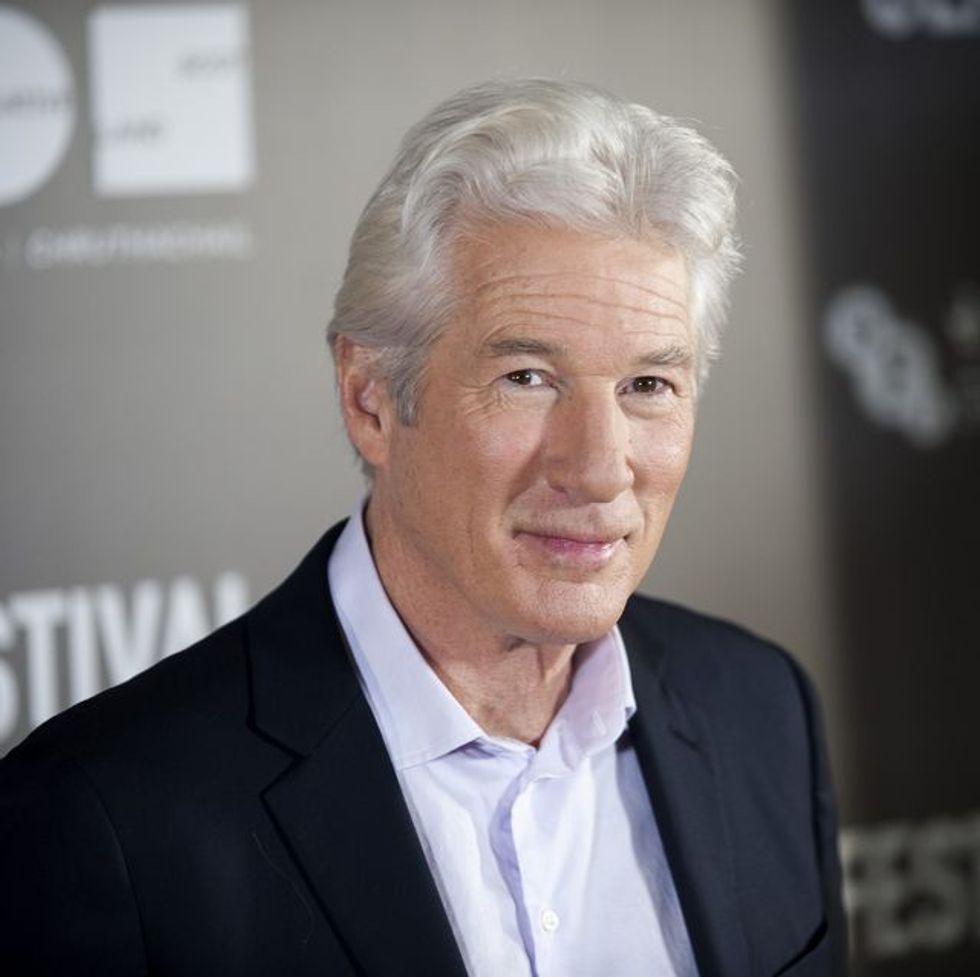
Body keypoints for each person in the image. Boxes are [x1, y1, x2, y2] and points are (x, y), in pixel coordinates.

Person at [0, 79, 846, 975]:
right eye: (528, 376)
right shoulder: (107, 817)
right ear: (369, 398)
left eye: (649, 386)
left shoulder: (764, 711)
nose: (600, 467)